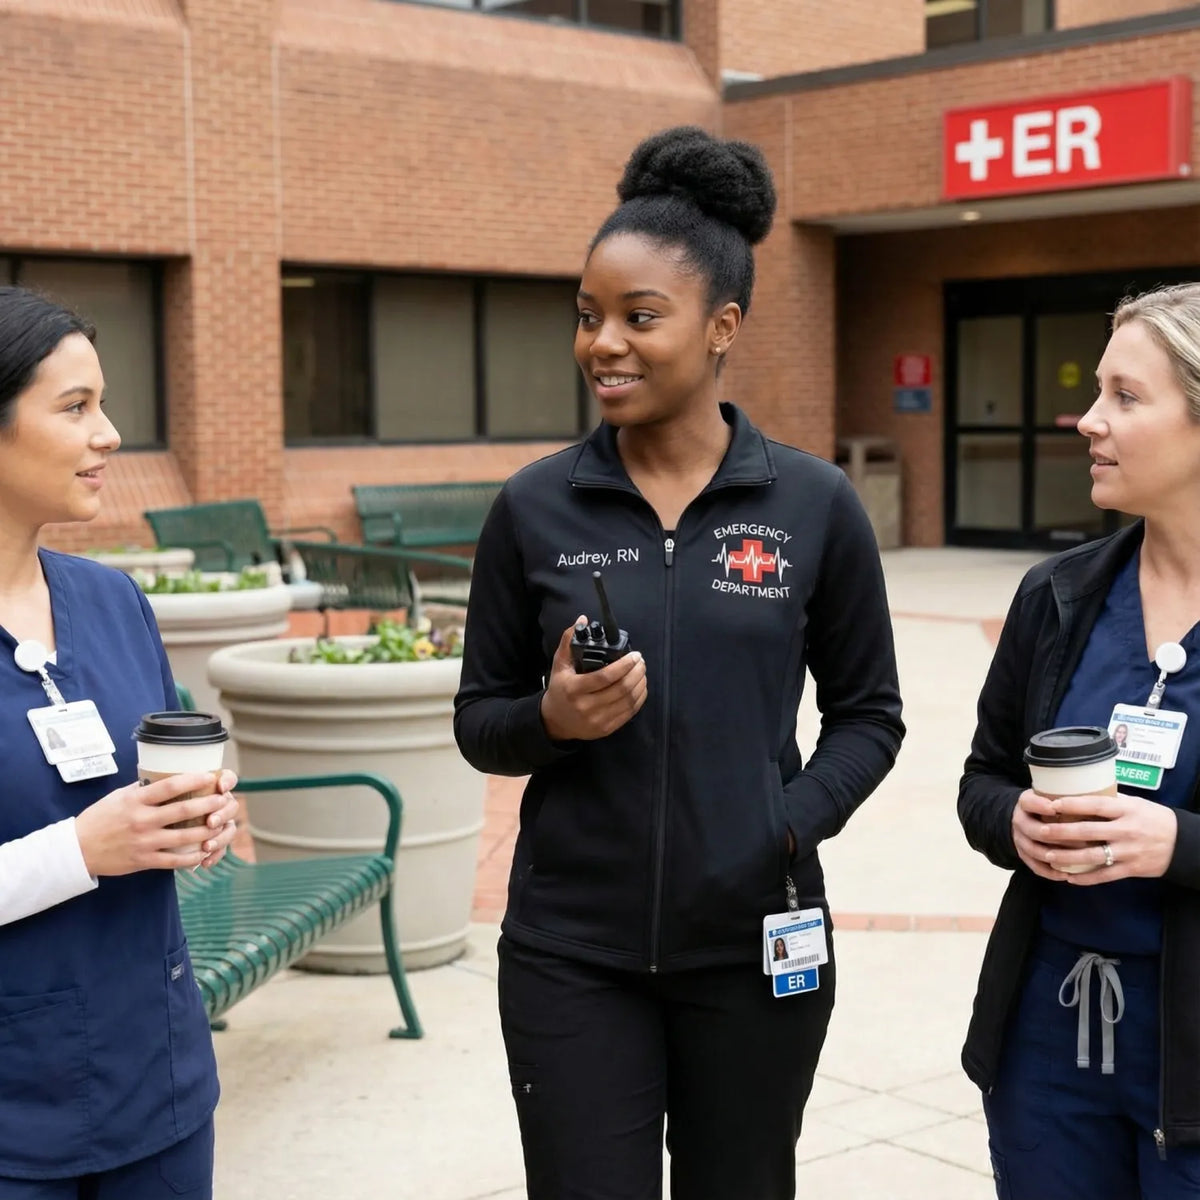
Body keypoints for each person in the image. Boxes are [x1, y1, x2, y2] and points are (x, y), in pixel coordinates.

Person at [454, 126, 904, 1200]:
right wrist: (553, 719)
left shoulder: (811, 506)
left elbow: (870, 715)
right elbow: (481, 718)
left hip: (757, 952)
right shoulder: (533, 508)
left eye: (639, 317)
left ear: (722, 327)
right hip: (573, 950)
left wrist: (785, 822)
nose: (602, 342)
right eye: (588, 315)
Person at [959, 282, 1200, 1199]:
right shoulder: (1058, 595)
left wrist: (1177, 844)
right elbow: (982, 779)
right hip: (1049, 1042)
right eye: (1098, 391)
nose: (1088, 420)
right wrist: (1012, 820)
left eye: (1126, 397)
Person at [0, 287, 240, 1198]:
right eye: (75, 408)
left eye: (102, 403)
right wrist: (82, 849)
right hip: (17, 1124)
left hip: (162, 1088)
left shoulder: (114, 602)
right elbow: (95, 833)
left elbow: (165, 776)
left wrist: (203, 814)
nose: (111, 434)